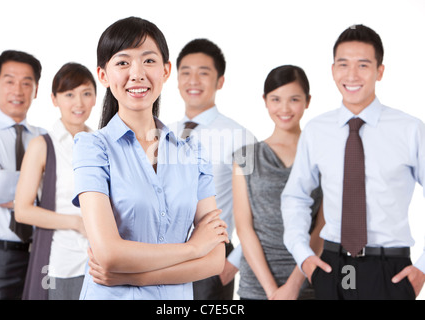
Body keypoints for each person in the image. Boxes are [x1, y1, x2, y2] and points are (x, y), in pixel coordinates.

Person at [72, 17, 228, 300]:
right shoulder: (93, 147)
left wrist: (137, 276)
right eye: (122, 62)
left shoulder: (193, 154)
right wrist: (193, 249)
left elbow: (215, 259)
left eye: (148, 61)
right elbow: (108, 254)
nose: (137, 73)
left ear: (166, 70)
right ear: (104, 75)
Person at [281, 24, 425, 300]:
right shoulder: (317, 130)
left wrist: (422, 268)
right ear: (333, 69)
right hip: (332, 264)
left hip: (390, 270)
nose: (351, 75)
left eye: (363, 65)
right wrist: (304, 256)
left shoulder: (410, 130)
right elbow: (295, 196)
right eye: (343, 65)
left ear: (379, 71)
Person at [174, 38, 256, 300]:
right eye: (186, 72)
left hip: (211, 259)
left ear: (220, 81)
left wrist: (234, 262)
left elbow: (262, 208)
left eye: (203, 73)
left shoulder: (240, 137)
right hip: (162, 255)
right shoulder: (163, 132)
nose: (193, 81)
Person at [233, 65, 324, 300]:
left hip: (310, 283)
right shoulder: (245, 156)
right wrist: (272, 291)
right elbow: (244, 228)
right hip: (256, 287)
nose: (284, 108)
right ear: (265, 101)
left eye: (294, 99)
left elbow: (322, 228)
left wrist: (293, 287)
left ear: (308, 101)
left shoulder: (323, 155)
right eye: (275, 99)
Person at [14, 62, 97, 300]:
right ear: (54, 99)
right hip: (61, 262)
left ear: (94, 99)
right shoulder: (43, 145)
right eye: (69, 94)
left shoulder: (100, 144)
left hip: (99, 262)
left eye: (86, 93)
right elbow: (22, 211)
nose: (78, 103)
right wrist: (77, 223)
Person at [0, 50, 45, 299]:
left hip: (40, 256)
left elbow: (59, 194)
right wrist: (38, 182)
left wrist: (8, 180)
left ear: (36, 90)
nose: (18, 90)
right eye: (9, 81)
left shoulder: (45, 137)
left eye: (27, 82)